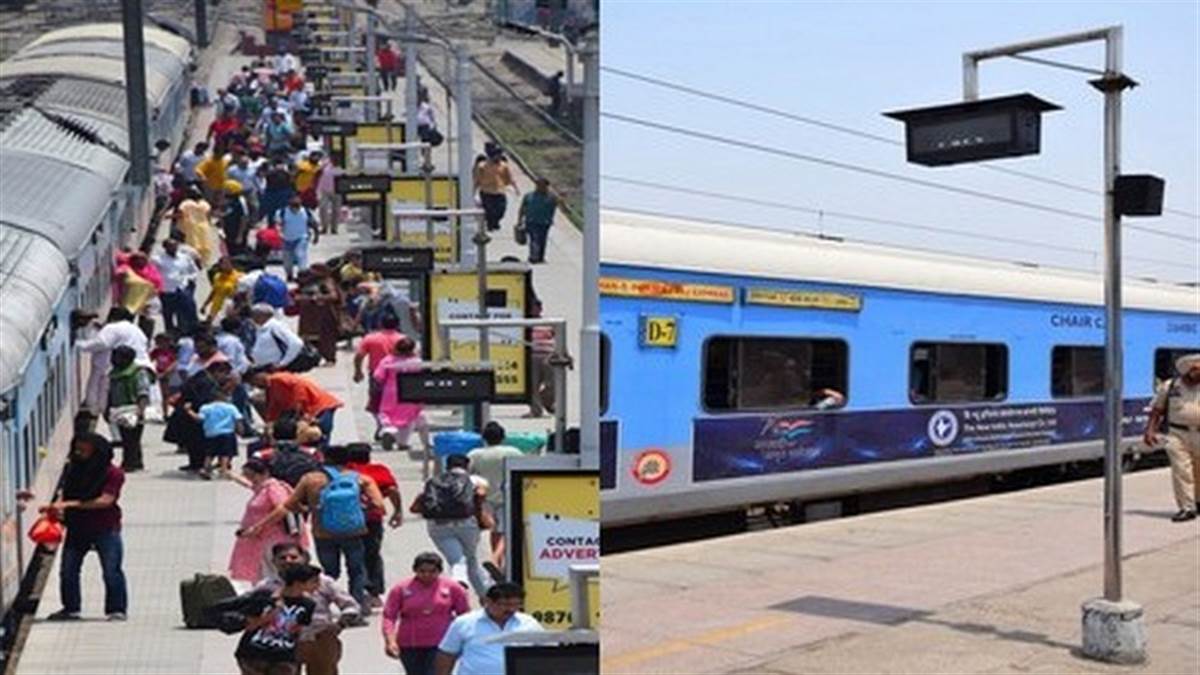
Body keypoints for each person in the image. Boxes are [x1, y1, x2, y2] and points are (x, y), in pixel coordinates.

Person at [242, 445, 386, 606]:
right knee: (357, 570)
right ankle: (357, 604)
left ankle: (323, 603)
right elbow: (378, 504)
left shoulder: (311, 479)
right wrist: (358, 511)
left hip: (323, 533)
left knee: (329, 572)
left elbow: (288, 505)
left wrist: (308, 509)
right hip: (353, 531)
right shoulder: (361, 479)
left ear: (323, 459)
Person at [43, 433, 129, 621]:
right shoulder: (74, 470)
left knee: (111, 570)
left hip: (105, 527)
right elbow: (64, 493)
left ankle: (116, 609)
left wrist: (70, 505)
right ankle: (71, 608)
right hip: (77, 527)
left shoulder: (113, 473)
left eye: (83, 449)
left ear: (96, 452)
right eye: (77, 448)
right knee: (68, 570)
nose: (78, 452)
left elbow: (105, 501)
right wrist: (55, 508)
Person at [255, 543, 362, 675]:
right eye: (282, 558)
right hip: (281, 643)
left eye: (293, 557)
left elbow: (352, 606)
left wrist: (339, 625)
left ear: (304, 558)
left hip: (320, 639)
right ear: (273, 561)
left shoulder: (323, 582)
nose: (288, 561)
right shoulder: (266, 587)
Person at [411, 454, 491, 598]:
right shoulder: (474, 480)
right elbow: (482, 494)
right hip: (467, 524)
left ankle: (471, 587)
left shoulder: (434, 481)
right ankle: (479, 592)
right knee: (470, 559)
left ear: (446, 466)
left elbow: (417, 505)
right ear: (467, 466)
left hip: (438, 526)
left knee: (458, 559)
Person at [382, 552, 470, 675]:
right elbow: (389, 616)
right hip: (410, 645)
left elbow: (465, 616)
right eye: (422, 571)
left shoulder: (453, 588)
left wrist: (465, 640)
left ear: (439, 571)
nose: (427, 575)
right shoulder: (401, 589)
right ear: (415, 570)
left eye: (432, 571)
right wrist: (390, 641)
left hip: (442, 644)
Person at [433, 583, 541, 675]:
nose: (511, 609)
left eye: (516, 605)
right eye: (505, 605)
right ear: (488, 601)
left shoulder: (529, 623)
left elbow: (546, 653)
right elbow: (446, 655)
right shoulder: (464, 623)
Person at [230, 459, 308, 583]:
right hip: (262, 538)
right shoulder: (261, 487)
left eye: (252, 475)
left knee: (272, 572)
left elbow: (282, 509)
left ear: (264, 473)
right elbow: (249, 485)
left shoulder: (273, 488)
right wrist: (231, 475)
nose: (250, 479)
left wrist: (258, 526)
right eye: (246, 475)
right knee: (264, 571)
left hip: (275, 537)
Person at [345, 444, 403, 609]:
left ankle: (358, 589)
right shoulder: (379, 470)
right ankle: (374, 592)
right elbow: (392, 490)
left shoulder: (344, 472)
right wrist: (398, 511)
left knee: (354, 553)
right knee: (372, 553)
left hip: (347, 520)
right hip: (372, 518)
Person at [234, 563, 320, 675]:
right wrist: (267, 617)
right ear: (298, 583)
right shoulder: (265, 597)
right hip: (253, 654)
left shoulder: (308, 605)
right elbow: (247, 625)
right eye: (314, 581)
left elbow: (299, 632)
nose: (318, 585)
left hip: (283, 657)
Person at [1145, 353, 1200, 522]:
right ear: (1189, 371)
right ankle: (1187, 507)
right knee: (1181, 470)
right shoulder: (1170, 387)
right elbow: (1157, 410)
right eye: (1196, 370)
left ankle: (1198, 501)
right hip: (1178, 434)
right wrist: (1150, 430)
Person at [468, 422, 524, 572]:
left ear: (484, 437)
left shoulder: (475, 454)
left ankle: (497, 562)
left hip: (484, 499)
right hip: (508, 496)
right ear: (503, 437)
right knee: (506, 531)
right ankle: (496, 558)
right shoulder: (514, 452)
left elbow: (468, 476)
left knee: (494, 531)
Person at [246, 369, 343, 445]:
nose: (256, 386)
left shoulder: (277, 378)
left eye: (255, 382)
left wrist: (298, 404)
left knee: (322, 430)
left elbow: (298, 385)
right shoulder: (270, 391)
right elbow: (273, 409)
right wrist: (269, 426)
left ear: (260, 376)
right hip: (307, 409)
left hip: (318, 404)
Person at [372, 336, 430, 451]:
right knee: (410, 417)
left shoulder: (388, 360)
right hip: (412, 393)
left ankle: (389, 431)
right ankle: (403, 442)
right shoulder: (417, 362)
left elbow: (378, 376)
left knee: (388, 414)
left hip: (391, 393)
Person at [106, 346, 152, 472]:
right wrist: (108, 408)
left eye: (117, 357)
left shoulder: (138, 372)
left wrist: (140, 411)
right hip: (119, 409)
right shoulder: (115, 372)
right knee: (127, 437)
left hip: (133, 408)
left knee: (131, 438)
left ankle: (129, 463)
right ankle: (136, 462)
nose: (114, 359)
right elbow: (111, 392)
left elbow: (143, 392)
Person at [185, 389, 242, 479]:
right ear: (224, 397)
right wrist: (240, 430)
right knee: (225, 454)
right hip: (227, 433)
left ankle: (206, 469)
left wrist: (189, 411)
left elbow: (199, 419)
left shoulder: (206, 408)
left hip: (211, 434)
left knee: (210, 454)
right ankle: (224, 470)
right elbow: (238, 419)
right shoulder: (231, 407)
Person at [294, 265, 342, 365]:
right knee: (310, 338)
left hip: (325, 314)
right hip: (310, 315)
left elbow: (333, 296)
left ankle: (329, 359)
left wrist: (316, 298)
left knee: (326, 338)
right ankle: (313, 358)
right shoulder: (307, 282)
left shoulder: (327, 282)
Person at [154, 238, 201, 334]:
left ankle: (185, 331)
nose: (174, 248)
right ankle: (170, 333)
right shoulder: (157, 259)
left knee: (187, 311)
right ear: (165, 248)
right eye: (171, 246)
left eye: (175, 246)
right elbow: (153, 273)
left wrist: (189, 279)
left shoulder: (184, 257)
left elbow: (194, 270)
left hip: (182, 289)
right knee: (168, 315)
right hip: (167, 291)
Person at [473, 143, 518, 232]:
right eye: (496, 155)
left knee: (501, 210)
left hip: (499, 192)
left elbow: (509, 178)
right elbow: (477, 179)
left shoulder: (504, 166)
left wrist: (515, 188)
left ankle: (495, 222)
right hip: (487, 192)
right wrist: (473, 190)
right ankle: (491, 224)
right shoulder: (482, 166)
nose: (498, 157)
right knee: (490, 211)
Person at [270, 194, 316, 281]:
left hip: (302, 238)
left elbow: (313, 223)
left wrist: (316, 235)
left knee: (300, 254)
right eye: (293, 205)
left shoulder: (306, 211)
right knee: (287, 260)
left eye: (297, 205)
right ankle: (289, 274)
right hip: (286, 239)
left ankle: (302, 274)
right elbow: (277, 224)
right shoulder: (282, 212)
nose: (295, 208)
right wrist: (279, 233)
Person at [249, 304, 305, 371]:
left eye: (256, 316)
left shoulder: (276, 326)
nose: (254, 319)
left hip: (275, 369)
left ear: (264, 316)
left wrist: (283, 363)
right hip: (262, 368)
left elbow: (296, 343)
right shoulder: (259, 328)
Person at [518, 177, 557, 264]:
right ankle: (533, 256)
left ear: (547, 186)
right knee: (534, 239)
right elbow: (522, 208)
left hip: (545, 222)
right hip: (531, 221)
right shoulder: (529, 196)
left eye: (542, 185)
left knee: (542, 240)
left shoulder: (552, 197)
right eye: (538, 185)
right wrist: (519, 220)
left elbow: (562, 207)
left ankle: (540, 257)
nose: (540, 187)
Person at [203, 256, 245, 323]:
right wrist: (205, 305)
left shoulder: (239, 277)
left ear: (231, 264)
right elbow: (213, 292)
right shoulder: (217, 276)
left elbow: (243, 297)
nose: (225, 266)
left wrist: (237, 311)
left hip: (229, 310)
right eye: (223, 264)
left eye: (227, 263)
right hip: (215, 309)